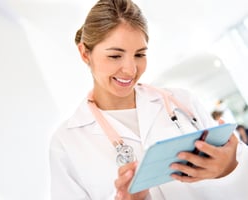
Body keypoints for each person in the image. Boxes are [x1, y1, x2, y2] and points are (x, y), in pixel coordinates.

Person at [49, 0, 248, 199]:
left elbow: (240, 166)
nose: (130, 70)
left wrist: (230, 168)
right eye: (115, 56)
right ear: (85, 53)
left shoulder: (182, 101)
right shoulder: (67, 143)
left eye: (139, 54)